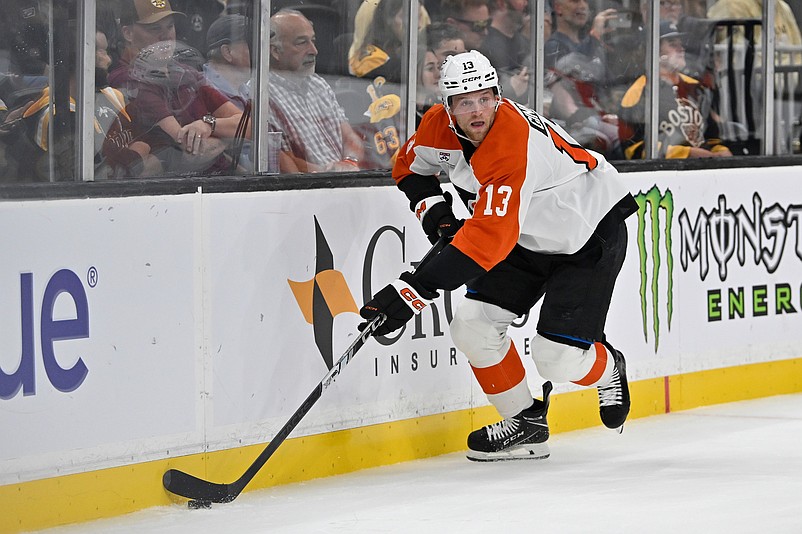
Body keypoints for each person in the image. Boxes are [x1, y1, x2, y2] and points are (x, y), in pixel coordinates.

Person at [359, 51, 636, 461]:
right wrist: (438, 219)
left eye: (485, 97)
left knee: (557, 359)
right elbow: (408, 170)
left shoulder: (511, 143)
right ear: (447, 106)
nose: (477, 110)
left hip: (587, 233)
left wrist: (412, 291)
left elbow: (488, 242)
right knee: (472, 328)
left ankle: (608, 364)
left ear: (498, 97)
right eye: (465, 101)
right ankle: (525, 423)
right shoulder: (437, 127)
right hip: (525, 237)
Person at [619, 21, 733, 159]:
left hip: (705, 170)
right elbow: (633, 149)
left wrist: (721, 151)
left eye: (681, 44)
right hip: (665, 174)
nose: (681, 49)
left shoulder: (697, 88)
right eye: (673, 44)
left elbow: (712, 138)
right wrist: (686, 154)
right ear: (655, 50)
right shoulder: (638, 92)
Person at [269, 9, 364, 172]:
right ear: (275, 51)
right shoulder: (262, 95)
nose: (314, 50)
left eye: (313, 41)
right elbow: (280, 162)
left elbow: (350, 137)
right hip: (304, 190)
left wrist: (350, 162)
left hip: (342, 182)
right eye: (301, 42)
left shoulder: (318, 84)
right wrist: (329, 173)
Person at [545, 0, 624, 158]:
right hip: (574, 125)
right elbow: (568, 70)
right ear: (558, 8)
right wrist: (594, 36)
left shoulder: (591, 44)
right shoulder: (553, 46)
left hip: (598, 115)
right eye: (574, 1)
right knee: (613, 136)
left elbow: (609, 85)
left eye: (585, 1)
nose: (582, 5)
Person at [481, 0, 532, 103]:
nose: (526, 3)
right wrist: (510, 89)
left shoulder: (525, 42)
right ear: (501, 4)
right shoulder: (482, 43)